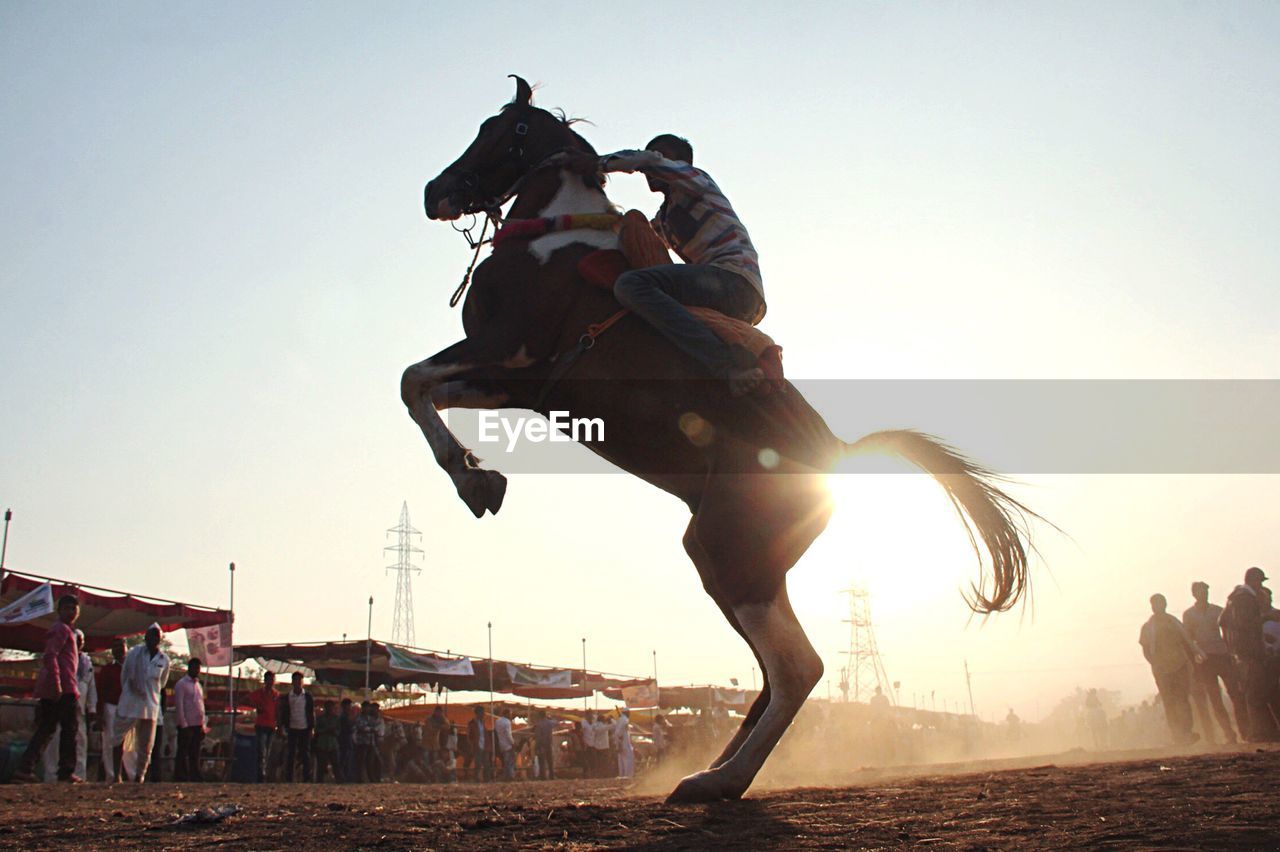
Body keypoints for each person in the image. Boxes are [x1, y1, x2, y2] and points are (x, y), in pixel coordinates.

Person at [598, 135, 767, 397]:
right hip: (726, 292)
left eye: (661, 156)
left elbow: (647, 160)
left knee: (632, 284)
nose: (650, 168)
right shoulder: (665, 218)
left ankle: (727, 366)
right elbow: (637, 238)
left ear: (681, 163)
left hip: (733, 281)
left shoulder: (698, 181)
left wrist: (593, 165)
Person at [13, 594, 82, 783]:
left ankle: (25, 768)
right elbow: (50, 655)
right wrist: (57, 682)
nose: (71, 611)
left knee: (47, 728)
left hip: (61, 685)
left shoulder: (68, 630)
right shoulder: (60, 629)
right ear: (59, 611)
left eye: (74, 608)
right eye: (67, 608)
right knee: (69, 729)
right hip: (62, 687)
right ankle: (65, 771)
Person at [1182, 581, 1243, 743]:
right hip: (1205, 659)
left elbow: (1228, 633)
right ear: (1194, 594)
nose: (1204, 595)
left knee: (1235, 694)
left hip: (1222, 655)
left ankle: (1243, 730)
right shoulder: (1189, 615)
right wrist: (1194, 661)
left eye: (1206, 591)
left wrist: (1231, 652)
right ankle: (1229, 733)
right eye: (1201, 592)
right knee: (1215, 698)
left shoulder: (1217, 611)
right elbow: (1188, 640)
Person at [1221, 567, 1277, 741]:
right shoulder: (1245, 598)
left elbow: (1223, 620)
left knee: (1259, 692)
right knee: (1256, 693)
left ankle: (1265, 731)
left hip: (1244, 650)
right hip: (1250, 651)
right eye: (1260, 582)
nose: (1260, 586)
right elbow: (1245, 623)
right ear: (1254, 581)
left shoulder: (1236, 597)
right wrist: (1266, 619)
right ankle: (1261, 733)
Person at [1139, 594, 1202, 745]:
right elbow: (1146, 649)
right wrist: (1155, 664)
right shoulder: (1148, 627)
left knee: (1182, 700)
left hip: (1179, 665)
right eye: (1156, 603)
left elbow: (1186, 642)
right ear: (1152, 606)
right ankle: (1177, 735)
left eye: (1161, 603)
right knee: (1169, 703)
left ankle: (1187, 732)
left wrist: (1192, 662)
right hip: (1161, 669)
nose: (1159, 606)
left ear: (1165, 604)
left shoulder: (1174, 623)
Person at [115, 623, 170, 783]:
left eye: (156, 637)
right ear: (145, 637)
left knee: (146, 745)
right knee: (118, 738)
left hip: (150, 705)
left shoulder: (164, 660)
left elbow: (162, 683)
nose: (153, 639)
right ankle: (116, 775)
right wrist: (130, 692)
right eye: (151, 635)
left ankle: (140, 776)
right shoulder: (134, 654)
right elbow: (124, 676)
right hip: (130, 702)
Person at [96, 638, 126, 782]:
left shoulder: (131, 668)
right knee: (109, 742)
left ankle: (131, 775)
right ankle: (111, 775)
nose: (118, 649)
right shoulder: (107, 669)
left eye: (121, 646)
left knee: (129, 744)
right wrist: (99, 713)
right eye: (115, 647)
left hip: (129, 708)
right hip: (111, 708)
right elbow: (100, 692)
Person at [173, 657, 207, 782]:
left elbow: (201, 705)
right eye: (195, 668)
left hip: (197, 723)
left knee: (195, 752)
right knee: (183, 751)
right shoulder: (181, 684)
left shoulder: (198, 685)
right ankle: (180, 776)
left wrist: (203, 724)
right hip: (186, 724)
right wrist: (183, 724)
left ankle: (194, 775)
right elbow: (179, 705)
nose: (197, 670)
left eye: (198, 668)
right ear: (189, 668)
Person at [243, 671, 279, 782]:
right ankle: (260, 773)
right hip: (261, 725)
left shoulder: (276, 695)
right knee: (261, 750)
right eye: (268, 679)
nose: (270, 682)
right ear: (265, 680)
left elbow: (278, 710)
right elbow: (245, 699)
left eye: (272, 680)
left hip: (271, 725)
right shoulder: (259, 693)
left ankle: (264, 773)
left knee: (268, 751)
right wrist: (256, 707)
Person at [279, 671, 314, 782]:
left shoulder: (307, 697)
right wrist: (282, 726)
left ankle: (307, 778)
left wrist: (311, 727)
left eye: (300, 680)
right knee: (291, 753)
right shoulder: (288, 697)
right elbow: (283, 712)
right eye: (296, 680)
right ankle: (289, 777)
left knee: (305, 754)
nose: (298, 683)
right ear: (292, 682)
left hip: (304, 727)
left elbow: (311, 712)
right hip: (292, 728)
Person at [354, 701, 385, 782]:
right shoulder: (359, 717)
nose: (367, 709)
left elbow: (376, 727)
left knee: (370, 762)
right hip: (362, 742)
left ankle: (371, 778)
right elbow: (361, 727)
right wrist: (371, 729)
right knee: (361, 761)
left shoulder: (371, 718)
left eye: (368, 707)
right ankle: (359, 779)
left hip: (371, 742)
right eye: (366, 707)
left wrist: (372, 729)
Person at [313, 700, 341, 783]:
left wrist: (333, 731)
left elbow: (338, 731)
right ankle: (319, 781)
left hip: (333, 743)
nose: (329, 709)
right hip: (322, 743)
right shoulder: (320, 718)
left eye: (331, 707)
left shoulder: (336, 718)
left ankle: (339, 780)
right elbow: (317, 730)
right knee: (321, 764)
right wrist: (326, 730)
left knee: (336, 764)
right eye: (328, 707)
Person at [337, 697, 356, 782]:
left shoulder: (345, 716)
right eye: (348, 705)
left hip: (347, 741)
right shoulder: (343, 717)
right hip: (344, 740)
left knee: (346, 760)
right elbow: (347, 729)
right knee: (344, 759)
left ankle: (344, 777)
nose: (349, 707)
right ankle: (342, 777)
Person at [533, 710, 555, 780]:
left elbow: (538, 737)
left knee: (542, 761)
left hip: (542, 744)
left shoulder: (539, 724)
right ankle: (552, 776)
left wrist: (537, 746)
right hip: (549, 743)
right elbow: (557, 722)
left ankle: (543, 776)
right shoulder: (550, 723)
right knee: (550, 761)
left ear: (539, 716)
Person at [494, 708, 515, 781]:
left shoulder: (497, 721)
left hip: (500, 743)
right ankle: (509, 776)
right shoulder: (507, 722)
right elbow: (508, 734)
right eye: (510, 714)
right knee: (509, 761)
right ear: (507, 714)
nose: (511, 715)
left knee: (505, 761)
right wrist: (512, 742)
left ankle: (505, 776)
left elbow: (496, 731)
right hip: (507, 744)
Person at [613, 709, 634, 778]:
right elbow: (619, 732)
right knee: (627, 758)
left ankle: (623, 774)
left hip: (621, 742)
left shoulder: (620, 719)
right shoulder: (624, 719)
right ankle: (627, 774)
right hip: (623, 742)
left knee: (621, 759)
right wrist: (620, 741)